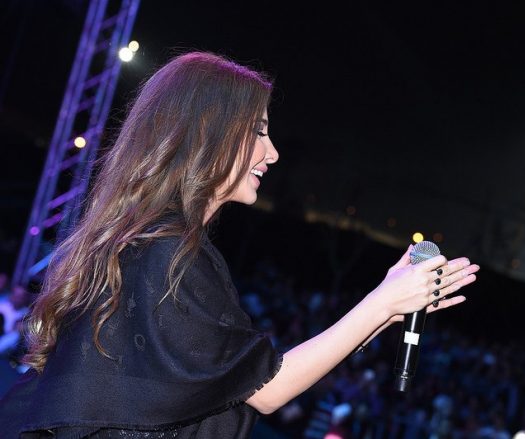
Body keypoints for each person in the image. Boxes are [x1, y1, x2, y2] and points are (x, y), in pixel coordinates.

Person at [0, 52, 479, 438]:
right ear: (207, 132)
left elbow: (241, 375)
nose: (273, 152)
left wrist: (385, 310)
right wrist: (380, 304)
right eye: (258, 131)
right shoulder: (166, 252)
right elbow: (266, 389)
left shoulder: (154, 242)